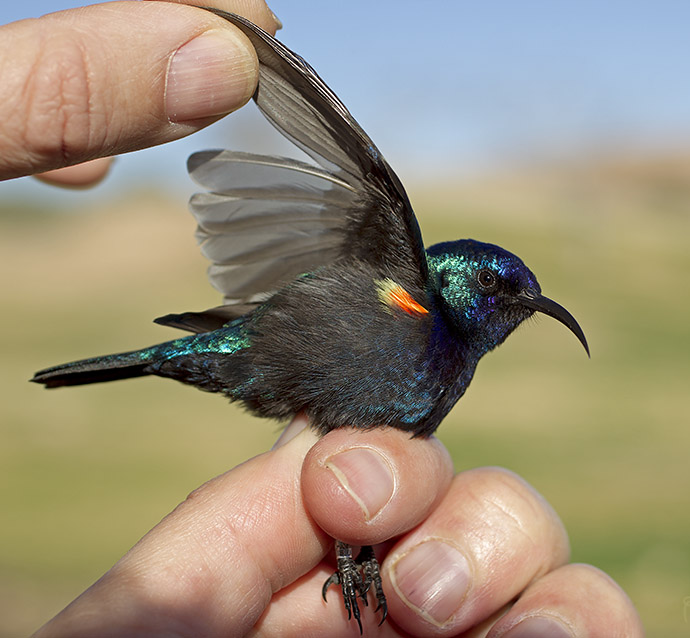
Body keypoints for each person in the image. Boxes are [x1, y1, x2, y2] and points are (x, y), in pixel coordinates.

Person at [4, 1, 643, 635]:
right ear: (447, 279)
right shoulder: (407, 293)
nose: (513, 308)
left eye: (522, 303)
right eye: (493, 287)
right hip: (266, 349)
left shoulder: (449, 362)